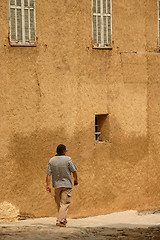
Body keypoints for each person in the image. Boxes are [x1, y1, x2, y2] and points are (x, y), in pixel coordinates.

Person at [46, 144, 78, 227]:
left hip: (56, 185)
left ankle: (63, 220)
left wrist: (48, 185)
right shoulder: (68, 159)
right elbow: (74, 171)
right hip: (67, 184)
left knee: (60, 204)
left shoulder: (51, 160)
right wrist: (75, 180)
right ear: (64, 151)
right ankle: (59, 221)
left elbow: (48, 174)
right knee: (64, 203)